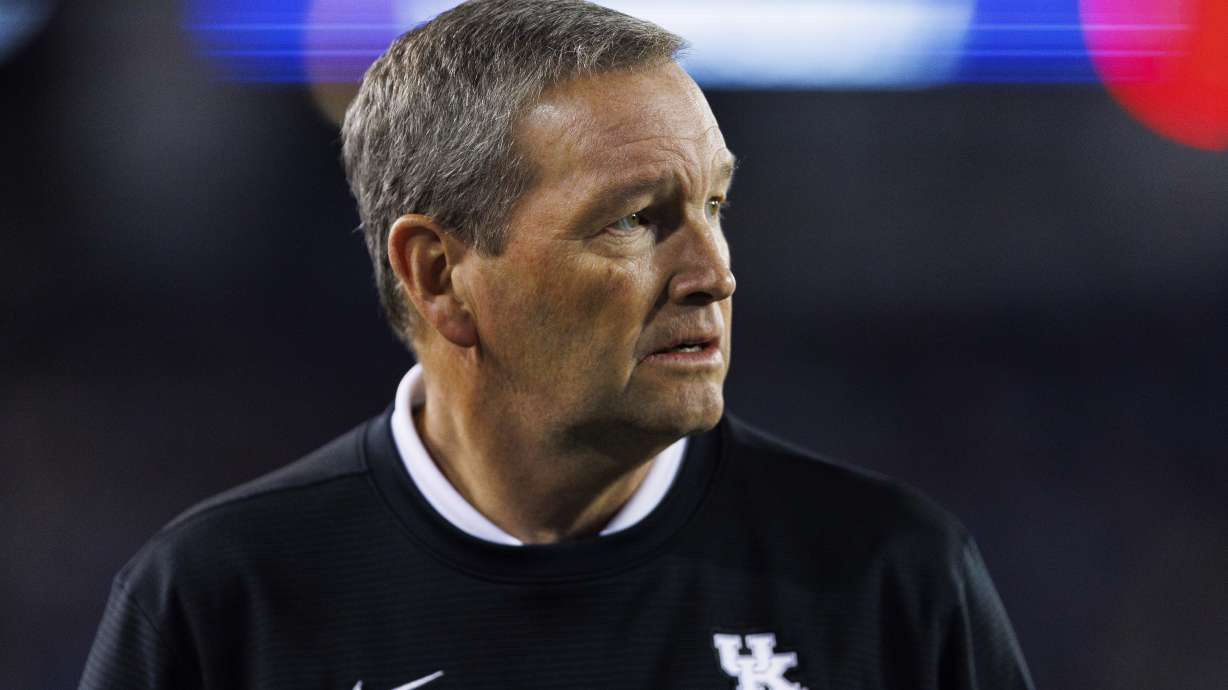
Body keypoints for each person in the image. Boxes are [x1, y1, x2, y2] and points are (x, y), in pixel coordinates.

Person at [81, 1, 1035, 688]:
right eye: (633, 219)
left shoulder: (889, 580)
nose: (714, 272)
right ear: (439, 274)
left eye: (714, 206)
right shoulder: (219, 604)